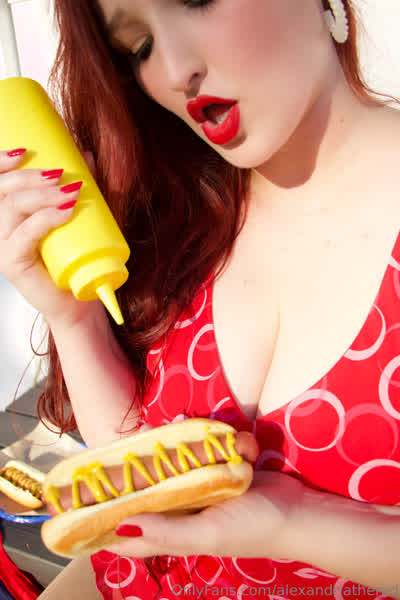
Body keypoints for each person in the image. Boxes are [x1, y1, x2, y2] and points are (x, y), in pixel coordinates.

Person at [1, 0, 400, 598]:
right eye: (139, 48)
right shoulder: (184, 210)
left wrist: (294, 524)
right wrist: (75, 318)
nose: (173, 71)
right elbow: (142, 472)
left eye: (197, 0)